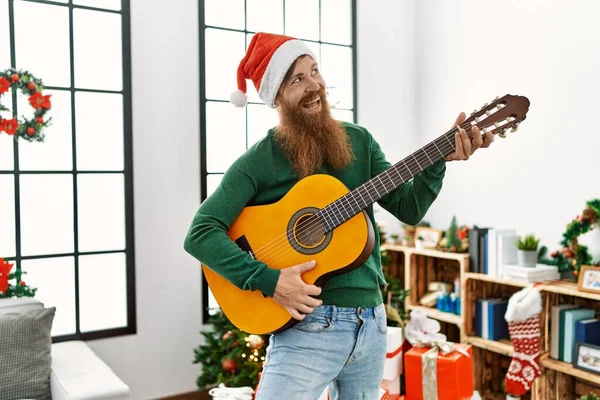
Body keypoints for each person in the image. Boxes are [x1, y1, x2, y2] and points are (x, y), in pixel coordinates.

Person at [184, 32, 493, 400]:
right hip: (307, 328)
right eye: (297, 79)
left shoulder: (359, 141)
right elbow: (200, 232)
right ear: (277, 96)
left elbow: (410, 210)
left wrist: (439, 161)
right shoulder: (259, 161)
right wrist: (268, 280)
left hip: (372, 324)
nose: (314, 85)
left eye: (314, 71)